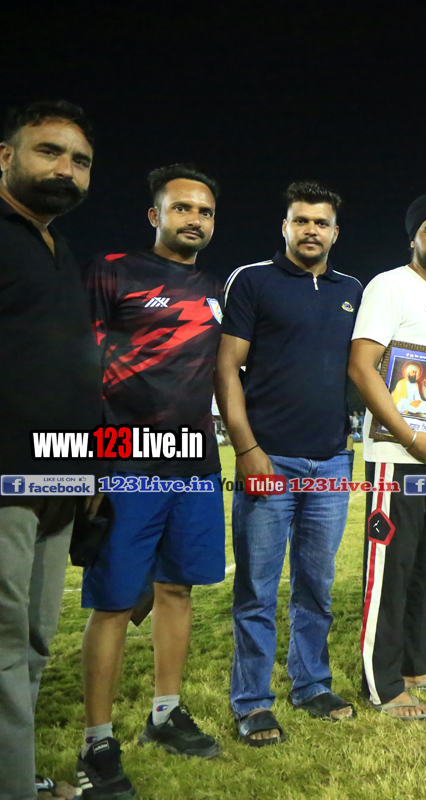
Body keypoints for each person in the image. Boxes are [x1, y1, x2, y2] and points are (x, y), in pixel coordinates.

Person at [77, 165, 226, 798]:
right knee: (113, 600)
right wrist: (88, 462)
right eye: (182, 207)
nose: (195, 219)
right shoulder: (112, 270)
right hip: (126, 459)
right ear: (155, 215)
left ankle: (165, 714)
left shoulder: (215, 288)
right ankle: (97, 740)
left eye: (205, 211)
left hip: (195, 462)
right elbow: (80, 363)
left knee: (177, 588)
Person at [216, 181, 362, 746]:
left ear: (336, 232)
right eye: (301, 220)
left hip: (332, 461)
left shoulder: (352, 290)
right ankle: (252, 701)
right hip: (268, 459)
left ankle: (312, 684)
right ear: (285, 226)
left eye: (321, 222)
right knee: (256, 588)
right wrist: (246, 449)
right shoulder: (253, 280)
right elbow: (226, 368)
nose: (310, 231)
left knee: (316, 586)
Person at [0, 99, 99, 800]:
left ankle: (17, 776)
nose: (66, 168)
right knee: (4, 645)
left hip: (57, 482)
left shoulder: (58, 250)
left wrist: (88, 466)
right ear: (6, 157)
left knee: (33, 642)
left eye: (80, 160)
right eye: (49, 151)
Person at [347, 193, 426, 720]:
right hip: (397, 451)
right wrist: (408, 435)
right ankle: (383, 683)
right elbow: (362, 366)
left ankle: (421, 666)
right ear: (413, 238)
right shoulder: (389, 285)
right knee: (391, 568)